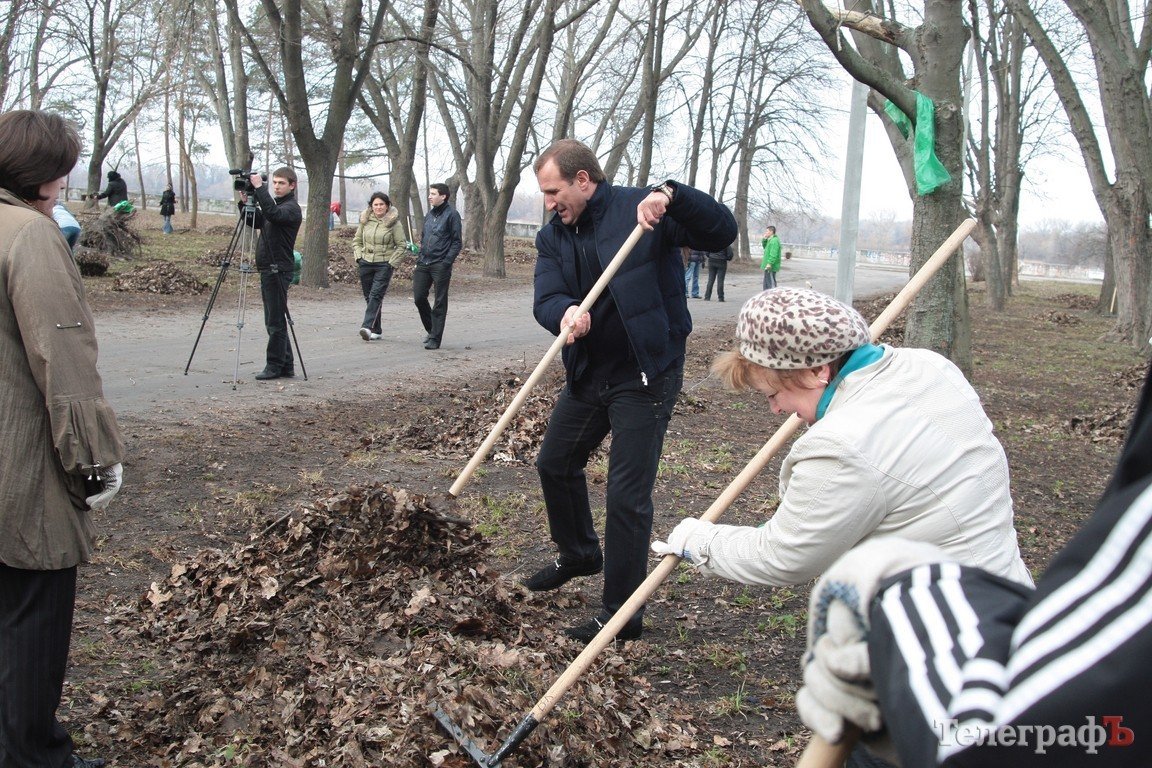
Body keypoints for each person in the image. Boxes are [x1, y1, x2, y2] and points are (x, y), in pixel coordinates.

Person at [797, 362, 1152, 767]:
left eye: (772, 394)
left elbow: (1027, 732)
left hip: (973, 644)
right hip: (990, 616)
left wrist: (899, 597)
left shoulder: (850, 437)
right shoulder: (933, 374)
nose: (774, 408)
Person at [652, 287, 1032, 589]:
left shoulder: (841, 445)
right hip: (1008, 591)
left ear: (818, 370)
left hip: (949, 631)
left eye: (773, 394)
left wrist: (699, 541)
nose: (776, 410)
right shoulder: (930, 366)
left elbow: (784, 555)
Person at [526, 138, 738, 643]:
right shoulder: (552, 236)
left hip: (646, 373)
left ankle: (621, 615)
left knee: (627, 493)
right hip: (589, 370)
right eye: (544, 194)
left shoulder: (643, 210)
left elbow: (721, 231)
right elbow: (547, 295)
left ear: (583, 179)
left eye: (554, 191)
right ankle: (579, 553)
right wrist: (563, 313)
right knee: (554, 462)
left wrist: (673, 195)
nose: (549, 203)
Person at [0, 108, 126, 768]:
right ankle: (32, 756)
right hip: (19, 462)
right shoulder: (29, 235)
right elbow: (63, 353)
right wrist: (93, 458)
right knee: (33, 614)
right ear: (46, 171)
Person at [238, 167, 302, 380]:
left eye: (280, 183)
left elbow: (273, 215)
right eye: (273, 182)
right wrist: (245, 202)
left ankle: (274, 366)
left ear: (292, 185)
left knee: (274, 321)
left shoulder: (291, 208)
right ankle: (286, 366)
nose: (276, 186)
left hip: (278, 269)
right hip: (269, 267)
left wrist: (260, 188)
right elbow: (258, 221)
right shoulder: (277, 206)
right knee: (276, 319)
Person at [412, 183, 461, 350]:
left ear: (443, 196)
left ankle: (435, 338)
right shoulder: (429, 215)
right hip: (423, 262)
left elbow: (456, 242)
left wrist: (446, 262)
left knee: (440, 301)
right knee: (419, 298)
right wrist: (419, 255)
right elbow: (425, 237)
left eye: (433, 194)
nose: (430, 196)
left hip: (440, 264)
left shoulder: (452, 215)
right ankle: (431, 329)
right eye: (430, 193)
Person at [353, 191, 408, 341]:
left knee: (376, 295)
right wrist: (359, 257)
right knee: (369, 296)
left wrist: (391, 264)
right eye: (375, 204)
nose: (378, 207)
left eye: (381, 204)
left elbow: (402, 246)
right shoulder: (365, 221)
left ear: (387, 206)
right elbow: (356, 241)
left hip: (384, 264)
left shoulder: (394, 223)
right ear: (371, 206)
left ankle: (367, 327)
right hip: (365, 262)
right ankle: (377, 329)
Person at [760, 225, 781, 289]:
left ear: (771, 232)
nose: (765, 233)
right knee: (766, 282)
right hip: (767, 265)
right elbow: (765, 247)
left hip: (771, 266)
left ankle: (773, 296)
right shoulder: (770, 240)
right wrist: (764, 239)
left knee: (771, 283)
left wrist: (770, 263)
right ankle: (766, 296)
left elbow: (773, 254)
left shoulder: (774, 241)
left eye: (767, 231)